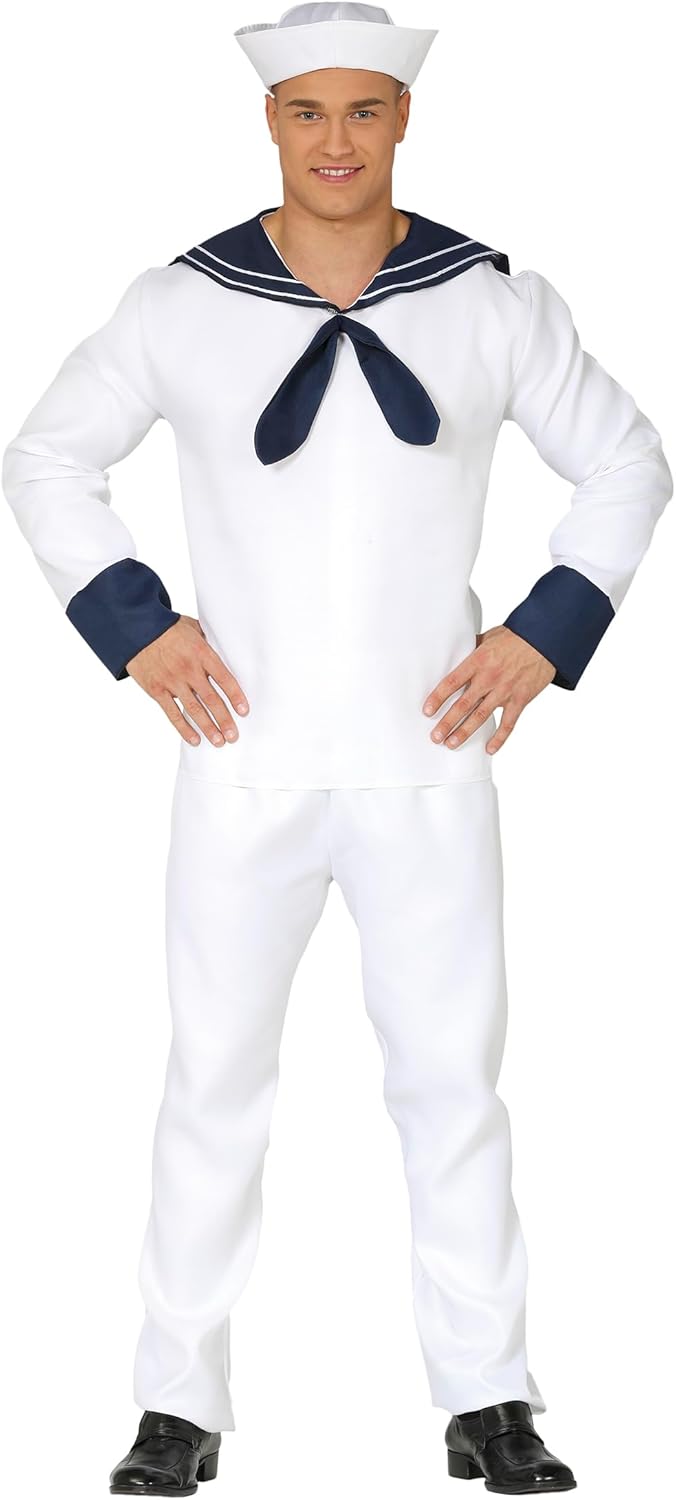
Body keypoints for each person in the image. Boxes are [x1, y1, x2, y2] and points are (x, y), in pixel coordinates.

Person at [3, 4, 672, 1494]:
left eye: (364, 111)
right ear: (271, 122)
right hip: (240, 759)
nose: (337, 141)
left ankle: (490, 1397)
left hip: (428, 759)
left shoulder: (492, 302)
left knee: (454, 1085)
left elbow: (628, 459)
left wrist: (546, 629)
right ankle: (177, 1403)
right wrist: (135, 624)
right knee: (212, 1080)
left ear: (403, 120)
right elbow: (45, 456)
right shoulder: (179, 304)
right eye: (309, 112)